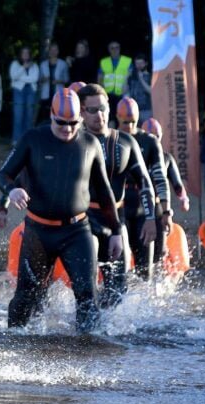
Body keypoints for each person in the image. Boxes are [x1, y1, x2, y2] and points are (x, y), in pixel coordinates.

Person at [0, 88, 123, 332]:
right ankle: (12, 344)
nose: (67, 129)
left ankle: (88, 350)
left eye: (73, 123)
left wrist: (116, 229)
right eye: (61, 123)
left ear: (80, 119)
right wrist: (11, 190)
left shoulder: (89, 144)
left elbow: (105, 190)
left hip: (76, 231)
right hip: (38, 231)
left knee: (87, 295)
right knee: (26, 296)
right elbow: (4, 174)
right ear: (52, 115)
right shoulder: (33, 139)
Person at [77, 84, 156, 308]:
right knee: (86, 286)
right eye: (92, 110)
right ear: (81, 112)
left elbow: (145, 183)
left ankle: (109, 339)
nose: (99, 115)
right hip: (83, 220)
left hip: (115, 219)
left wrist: (151, 218)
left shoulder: (125, 142)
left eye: (102, 108)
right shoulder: (74, 141)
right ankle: (83, 338)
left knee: (118, 289)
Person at [118, 97, 169, 281]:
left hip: (144, 207)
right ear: (117, 118)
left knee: (145, 271)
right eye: (125, 122)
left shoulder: (149, 141)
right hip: (119, 208)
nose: (129, 126)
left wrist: (166, 211)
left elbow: (160, 178)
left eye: (132, 122)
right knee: (119, 271)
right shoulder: (112, 138)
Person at [142, 117, 189, 263]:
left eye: (157, 136)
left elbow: (177, 184)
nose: (154, 140)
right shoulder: (133, 155)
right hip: (135, 207)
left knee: (159, 251)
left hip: (157, 207)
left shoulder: (166, 158)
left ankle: (157, 282)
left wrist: (183, 199)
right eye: (151, 136)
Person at [9, 46, 39, 145]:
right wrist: (23, 68)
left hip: (31, 91)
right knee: (18, 116)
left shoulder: (34, 65)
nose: (25, 55)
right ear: (20, 54)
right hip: (18, 91)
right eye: (23, 53)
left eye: (27, 53)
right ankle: (16, 140)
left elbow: (34, 79)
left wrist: (20, 78)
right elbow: (13, 76)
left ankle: (29, 140)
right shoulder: (15, 64)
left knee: (29, 116)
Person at [97, 41, 132, 124]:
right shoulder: (104, 62)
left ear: (120, 49)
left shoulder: (127, 61)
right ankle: (111, 136)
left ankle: (122, 136)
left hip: (123, 94)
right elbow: (100, 78)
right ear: (109, 50)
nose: (115, 50)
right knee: (110, 118)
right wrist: (101, 93)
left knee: (123, 118)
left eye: (117, 47)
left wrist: (127, 86)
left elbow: (131, 76)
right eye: (112, 48)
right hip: (108, 94)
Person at [38, 42, 69, 120]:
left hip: (58, 94)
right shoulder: (43, 64)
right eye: (51, 50)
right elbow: (38, 80)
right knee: (45, 116)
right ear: (48, 51)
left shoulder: (63, 64)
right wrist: (43, 79)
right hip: (45, 94)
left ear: (58, 51)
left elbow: (67, 79)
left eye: (55, 50)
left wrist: (59, 81)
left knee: (57, 116)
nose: (53, 52)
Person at [127, 54, 152, 125]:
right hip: (133, 110)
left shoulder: (151, 76)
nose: (139, 65)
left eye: (141, 63)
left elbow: (151, 91)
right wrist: (127, 76)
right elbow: (125, 91)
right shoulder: (132, 77)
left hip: (146, 110)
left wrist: (141, 79)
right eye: (137, 63)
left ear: (146, 63)